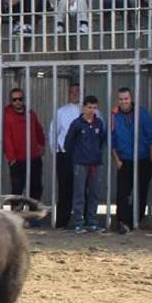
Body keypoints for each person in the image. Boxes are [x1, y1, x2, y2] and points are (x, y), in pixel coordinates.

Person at [110, 87, 152, 233]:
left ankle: (136, 221)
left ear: (131, 98)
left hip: (143, 159)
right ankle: (123, 222)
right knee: (122, 193)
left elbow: (151, 136)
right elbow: (111, 140)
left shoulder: (141, 113)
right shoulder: (114, 116)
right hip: (125, 160)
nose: (124, 102)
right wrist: (117, 160)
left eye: (126, 98)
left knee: (141, 193)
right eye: (121, 99)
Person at [64, 95, 106, 233]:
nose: (91, 110)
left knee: (94, 193)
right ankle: (78, 223)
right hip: (80, 164)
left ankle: (92, 222)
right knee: (79, 194)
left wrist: (96, 155)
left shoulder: (98, 123)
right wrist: (77, 157)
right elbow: (68, 144)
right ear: (84, 107)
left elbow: (101, 141)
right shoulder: (76, 124)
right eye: (89, 107)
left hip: (95, 164)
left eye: (94, 107)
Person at [3, 87, 46, 204]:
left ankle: (33, 216)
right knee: (17, 190)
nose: (17, 102)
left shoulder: (30, 113)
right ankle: (16, 215)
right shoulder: (6, 115)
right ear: (10, 101)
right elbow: (6, 137)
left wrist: (42, 144)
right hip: (18, 160)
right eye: (14, 99)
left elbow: (38, 129)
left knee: (36, 187)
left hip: (34, 157)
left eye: (20, 99)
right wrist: (12, 159)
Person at [50, 83, 81, 229]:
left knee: (83, 189)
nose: (75, 94)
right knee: (65, 189)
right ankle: (62, 221)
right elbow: (53, 132)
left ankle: (82, 221)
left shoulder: (92, 111)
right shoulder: (61, 111)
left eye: (78, 92)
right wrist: (55, 150)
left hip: (83, 156)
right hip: (64, 155)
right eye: (72, 92)